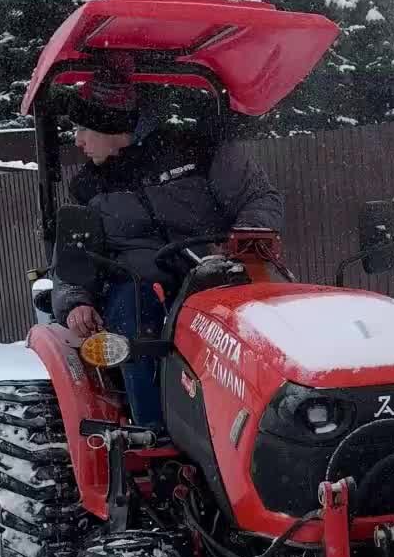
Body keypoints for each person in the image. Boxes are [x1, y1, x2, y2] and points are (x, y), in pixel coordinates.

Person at [51, 66, 283, 425]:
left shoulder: (198, 151)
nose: (77, 141)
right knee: (135, 314)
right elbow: (72, 252)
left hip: (215, 273)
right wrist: (75, 301)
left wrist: (241, 240)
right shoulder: (88, 189)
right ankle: (154, 430)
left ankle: (276, 417)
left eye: (82, 129)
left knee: (264, 319)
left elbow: (259, 198)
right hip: (141, 287)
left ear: (111, 127)